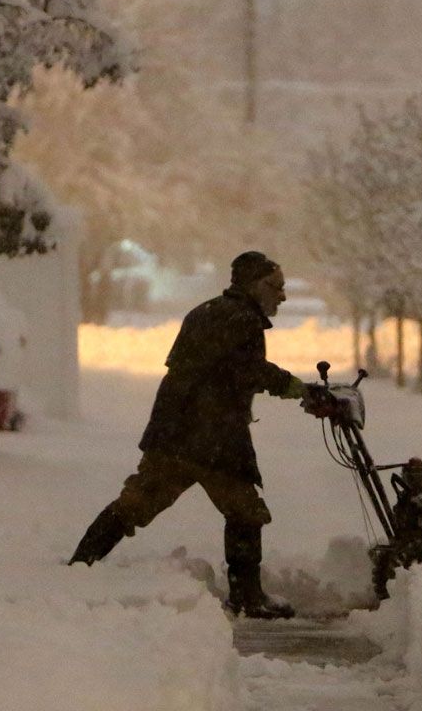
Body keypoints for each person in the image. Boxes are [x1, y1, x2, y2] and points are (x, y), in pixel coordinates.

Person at [68, 250, 307, 619]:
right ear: (253, 285)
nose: (283, 295)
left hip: (175, 431)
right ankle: (247, 597)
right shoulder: (241, 319)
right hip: (213, 436)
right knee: (245, 512)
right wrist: (299, 389)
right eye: (276, 286)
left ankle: (79, 566)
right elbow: (248, 370)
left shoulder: (207, 312)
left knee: (137, 503)